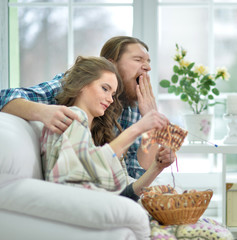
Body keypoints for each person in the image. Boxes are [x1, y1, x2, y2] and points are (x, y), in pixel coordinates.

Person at [0, 36, 158, 179]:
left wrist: (150, 126)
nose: (147, 67)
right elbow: (5, 97)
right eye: (138, 60)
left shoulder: (135, 108)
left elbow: (134, 173)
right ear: (112, 64)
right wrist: (44, 112)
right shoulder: (72, 86)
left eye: (148, 61)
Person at [41, 55, 175, 200]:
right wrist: (138, 128)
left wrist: (157, 167)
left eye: (112, 94)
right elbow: (85, 172)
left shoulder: (98, 134)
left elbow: (125, 193)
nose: (110, 99)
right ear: (81, 84)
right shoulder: (70, 117)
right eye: (105, 88)